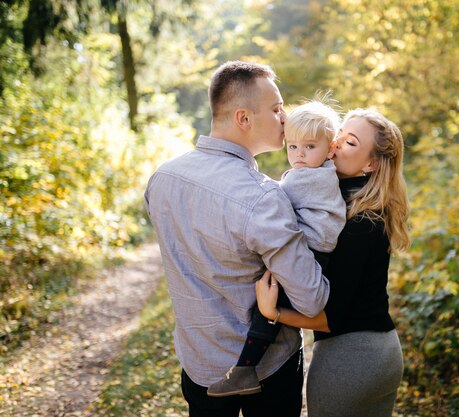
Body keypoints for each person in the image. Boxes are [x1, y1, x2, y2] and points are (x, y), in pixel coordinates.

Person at [144, 61, 330, 417]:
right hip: (268, 371)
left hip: (198, 364)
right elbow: (312, 298)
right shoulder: (263, 198)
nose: (285, 117)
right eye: (276, 109)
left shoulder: (162, 178)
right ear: (244, 118)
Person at [256, 108, 410, 417]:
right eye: (339, 135)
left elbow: (332, 317)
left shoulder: (361, 223)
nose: (337, 144)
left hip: (352, 358)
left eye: (350, 142)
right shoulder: (343, 205)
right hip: (375, 354)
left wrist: (272, 312)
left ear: (371, 163)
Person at [207, 99, 346, 396]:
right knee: (269, 300)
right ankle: (247, 367)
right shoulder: (320, 172)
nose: (299, 155)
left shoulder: (312, 177)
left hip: (313, 249)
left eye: (310, 147)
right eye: (293, 146)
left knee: (266, 305)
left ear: (331, 147)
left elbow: (273, 198)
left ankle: (245, 369)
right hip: (313, 244)